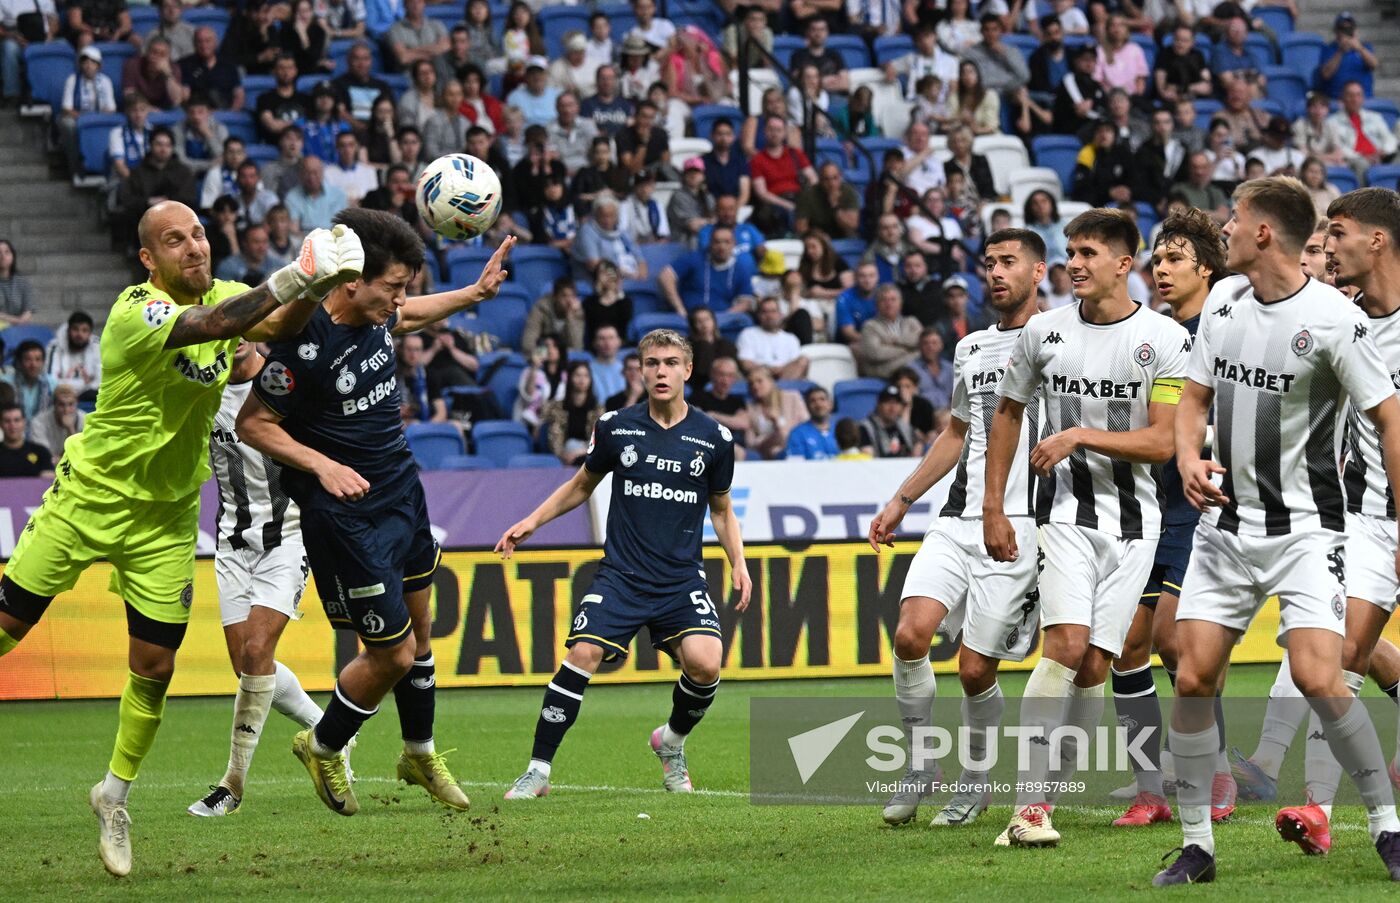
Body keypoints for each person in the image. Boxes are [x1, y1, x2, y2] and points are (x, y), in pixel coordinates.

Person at [0, 199, 357, 875]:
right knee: (7, 628)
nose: (194, 246)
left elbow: (273, 323)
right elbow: (216, 325)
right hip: (90, 500)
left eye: (198, 233)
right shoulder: (137, 311)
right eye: (176, 240)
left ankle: (113, 795)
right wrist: (299, 270)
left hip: (165, 519)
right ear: (149, 260)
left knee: (155, 668)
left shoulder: (226, 291)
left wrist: (310, 288)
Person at [1152, 178, 1400, 885]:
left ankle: (1387, 826)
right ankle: (1198, 846)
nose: (1224, 228)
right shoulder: (1224, 303)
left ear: (1264, 234)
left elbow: (1388, 415)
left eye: (1235, 219)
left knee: (1323, 674)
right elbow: (1194, 394)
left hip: (1306, 534)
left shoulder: (1332, 320)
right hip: (1224, 529)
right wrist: (1187, 455)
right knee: (1194, 674)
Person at [238, 213, 516, 819]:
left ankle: (419, 752)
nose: (401, 298)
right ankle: (323, 744)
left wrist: (474, 293)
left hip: (401, 492)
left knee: (421, 632)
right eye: (393, 285)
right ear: (350, 282)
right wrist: (322, 467)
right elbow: (252, 424)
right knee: (390, 653)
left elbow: (411, 316)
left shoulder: (380, 312)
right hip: (347, 514)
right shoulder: (301, 346)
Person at [983, 208, 1190, 849]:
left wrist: (1075, 434)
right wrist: (995, 505)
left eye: (1089, 252)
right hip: (1066, 515)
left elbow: (1162, 441)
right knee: (1066, 649)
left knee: (1097, 666)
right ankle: (1030, 806)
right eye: (1071, 251)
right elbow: (1009, 414)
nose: (1074, 262)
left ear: (1124, 265)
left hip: (1137, 526)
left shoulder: (1166, 340)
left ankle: (1048, 795)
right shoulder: (1042, 333)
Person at [496, 328, 749, 798]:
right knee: (581, 655)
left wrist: (739, 561)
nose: (661, 371)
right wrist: (532, 521)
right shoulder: (616, 426)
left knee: (706, 664)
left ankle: (670, 742)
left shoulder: (714, 438)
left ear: (688, 370)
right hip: (622, 576)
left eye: (671, 363)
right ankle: (538, 771)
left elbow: (721, 508)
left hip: (680, 579)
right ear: (639, 369)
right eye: (651, 363)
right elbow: (580, 485)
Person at [870, 228, 1048, 826]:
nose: (996, 273)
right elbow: (955, 431)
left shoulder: (1064, 340)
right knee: (909, 635)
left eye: (1008, 263)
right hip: (956, 519)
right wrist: (901, 499)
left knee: (975, 669)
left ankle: (976, 777)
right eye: (989, 263)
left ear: (1038, 271)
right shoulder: (971, 347)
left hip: (1022, 526)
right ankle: (922, 763)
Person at [1106, 208, 1231, 829]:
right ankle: (1149, 788)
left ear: (1205, 268)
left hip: (1202, 507)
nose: (1161, 270)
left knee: (1178, 644)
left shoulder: (1226, 327)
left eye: (1175, 259)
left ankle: (1217, 772)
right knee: (1128, 644)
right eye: (1157, 260)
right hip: (1148, 504)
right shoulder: (1150, 333)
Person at [185, 341, 334, 818]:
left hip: (287, 537)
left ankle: (232, 785)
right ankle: (331, 733)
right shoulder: (202, 391)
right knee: (246, 663)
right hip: (231, 541)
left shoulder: (282, 383)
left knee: (256, 653)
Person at [660, 226, 757, 315]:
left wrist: (724, 317)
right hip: (690, 316)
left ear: (733, 244)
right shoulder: (694, 258)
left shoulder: (740, 269)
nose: (721, 247)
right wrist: (680, 310)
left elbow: (745, 301)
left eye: (727, 242)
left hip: (723, 318)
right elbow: (665, 277)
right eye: (717, 242)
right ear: (710, 243)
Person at [749, 115, 817, 238]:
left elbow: (813, 179)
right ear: (765, 132)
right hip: (775, 203)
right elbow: (762, 193)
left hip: (799, 197)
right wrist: (787, 205)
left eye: (778, 130)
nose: (774, 133)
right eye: (771, 129)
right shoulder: (757, 160)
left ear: (784, 133)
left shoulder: (795, 154)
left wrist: (806, 201)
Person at [58, 45, 117, 179]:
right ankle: (75, 167)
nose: (89, 66)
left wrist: (95, 119)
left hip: (99, 119)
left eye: (92, 62)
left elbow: (111, 108)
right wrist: (84, 119)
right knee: (68, 125)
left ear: (98, 65)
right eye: (85, 62)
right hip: (78, 118)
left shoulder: (105, 81)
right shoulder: (73, 80)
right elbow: (66, 108)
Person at [542, 360, 602, 466]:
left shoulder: (597, 409)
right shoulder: (557, 408)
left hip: (588, 453)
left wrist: (579, 453)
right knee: (571, 444)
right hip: (565, 454)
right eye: (578, 375)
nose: (582, 380)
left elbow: (600, 438)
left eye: (586, 376)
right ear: (570, 378)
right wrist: (562, 454)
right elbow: (554, 437)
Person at [1328, 81, 1398, 172]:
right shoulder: (1332, 122)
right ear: (1342, 98)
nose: (1355, 99)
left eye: (1358, 95)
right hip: (1355, 159)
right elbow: (1339, 148)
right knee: (1361, 164)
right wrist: (1363, 157)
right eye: (1350, 95)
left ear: (1363, 98)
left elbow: (1389, 139)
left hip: (1381, 157)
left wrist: (1384, 151)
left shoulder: (1375, 117)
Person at [857, 284, 921, 380]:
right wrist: (909, 349)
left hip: (913, 376)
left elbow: (922, 342)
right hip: (883, 375)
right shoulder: (870, 326)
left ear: (900, 303)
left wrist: (896, 341)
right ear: (877, 304)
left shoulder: (912, 321)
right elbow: (876, 354)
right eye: (884, 300)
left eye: (893, 299)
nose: (889, 303)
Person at [572, 198, 646, 281]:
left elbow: (638, 255)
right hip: (601, 280)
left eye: (611, 216)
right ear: (595, 215)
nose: (607, 220)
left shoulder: (621, 231)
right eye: (603, 216)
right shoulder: (586, 231)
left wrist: (641, 271)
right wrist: (623, 273)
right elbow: (593, 264)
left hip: (631, 276)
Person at [736, 297, 807, 381]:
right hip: (760, 377)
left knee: (803, 360)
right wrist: (769, 370)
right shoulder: (748, 334)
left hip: (785, 376)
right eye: (765, 312)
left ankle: (778, 390)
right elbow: (746, 363)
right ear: (759, 315)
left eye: (773, 311)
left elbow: (794, 366)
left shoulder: (791, 339)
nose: (769, 316)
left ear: (780, 314)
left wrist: (780, 370)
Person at [743, 366, 805, 460]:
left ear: (771, 381)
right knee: (776, 451)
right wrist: (771, 438)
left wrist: (778, 422)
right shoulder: (750, 408)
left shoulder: (792, 397)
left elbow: (806, 424)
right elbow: (750, 443)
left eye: (759, 381)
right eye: (751, 384)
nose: (755, 386)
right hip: (768, 452)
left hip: (796, 445)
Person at [1317, 11, 1377, 100]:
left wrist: (1360, 49)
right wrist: (1340, 51)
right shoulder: (1328, 49)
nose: (1346, 32)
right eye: (1343, 29)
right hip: (1337, 99)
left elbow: (1374, 65)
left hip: (1364, 99)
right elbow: (1326, 74)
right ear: (1336, 31)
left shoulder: (1365, 47)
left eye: (1350, 28)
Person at [793, 162, 859, 240]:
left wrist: (835, 206)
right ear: (820, 180)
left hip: (843, 235)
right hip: (816, 238)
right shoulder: (808, 195)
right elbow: (801, 228)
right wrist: (819, 237)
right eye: (826, 179)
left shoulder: (848, 192)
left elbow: (852, 225)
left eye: (835, 178)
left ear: (840, 177)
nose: (832, 184)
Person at [331, 41, 391, 127]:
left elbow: (391, 112)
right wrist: (363, 128)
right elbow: (341, 113)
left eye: (366, 59)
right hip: (352, 133)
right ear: (348, 61)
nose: (361, 64)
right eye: (356, 59)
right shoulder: (337, 85)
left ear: (371, 61)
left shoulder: (382, 86)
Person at [688, 354, 748, 437]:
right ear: (712, 375)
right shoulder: (698, 397)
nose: (725, 380)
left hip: (734, 442)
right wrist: (731, 421)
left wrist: (713, 415)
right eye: (721, 374)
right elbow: (697, 422)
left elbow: (743, 423)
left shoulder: (737, 400)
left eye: (730, 375)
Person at [45, 311, 101, 399]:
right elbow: (51, 383)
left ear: (90, 334)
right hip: (62, 397)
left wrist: (65, 382)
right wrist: (86, 384)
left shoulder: (97, 346)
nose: (79, 334)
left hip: (90, 397)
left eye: (84, 330)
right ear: (68, 331)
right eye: (75, 329)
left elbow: (101, 382)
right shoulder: (54, 347)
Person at [285, 156, 347, 233]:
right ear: (300, 175)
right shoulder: (292, 197)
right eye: (307, 173)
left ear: (322, 173)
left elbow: (342, 228)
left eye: (315, 172)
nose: (311, 177)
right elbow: (294, 229)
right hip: (304, 241)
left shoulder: (338, 195)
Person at [1154, 22, 1211, 105]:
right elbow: (1162, 89)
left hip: (1194, 96)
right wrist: (1191, 88)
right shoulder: (1164, 54)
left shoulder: (1198, 55)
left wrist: (1190, 88)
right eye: (1177, 39)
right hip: (1173, 98)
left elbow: (1206, 81)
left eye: (1185, 41)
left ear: (1192, 42)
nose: (1180, 44)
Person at [385, 0, 447, 74]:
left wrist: (412, 51)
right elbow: (403, 58)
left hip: (437, 71)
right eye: (412, 2)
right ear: (405, 5)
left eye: (419, 2)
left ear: (424, 4)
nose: (416, 6)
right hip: (410, 73)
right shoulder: (395, 30)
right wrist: (433, 51)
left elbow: (445, 48)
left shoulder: (437, 25)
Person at [1172, 151, 1231, 226]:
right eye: (1195, 167)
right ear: (1189, 168)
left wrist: (1192, 213)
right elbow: (1178, 215)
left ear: (1209, 169)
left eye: (1203, 167)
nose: (1199, 172)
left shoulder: (1216, 192)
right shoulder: (1179, 190)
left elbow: (1224, 217)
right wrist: (1211, 214)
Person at [687, 307, 737, 393]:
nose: (704, 324)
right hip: (698, 386)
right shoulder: (687, 346)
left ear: (714, 321)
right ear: (693, 325)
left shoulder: (727, 345)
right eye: (699, 321)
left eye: (707, 319)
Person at [29, 384, 84, 461]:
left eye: (71, 404)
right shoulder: (39, 422)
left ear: (77, 404)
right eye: (61, 405)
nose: (66, 410)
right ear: (54, 405)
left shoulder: (85, 420)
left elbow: (82, 457)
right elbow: (45, 458)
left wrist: (70, 429)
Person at [860, 385, 917, 458]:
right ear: (878, 404)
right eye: (888, 402)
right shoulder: (866, 428)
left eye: (896, 403)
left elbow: (917, 446)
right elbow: (868, 458)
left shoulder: (903, 426)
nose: (892, 408)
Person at [669, 158, 714, 247]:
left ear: (703, 175)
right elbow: (693, 226)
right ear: (684, 175)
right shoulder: (678, 196)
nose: (693, 175)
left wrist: (704, 222)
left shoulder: (708, 196)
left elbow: (717, 221)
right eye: (689, 172)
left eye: (697, 172)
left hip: (705, 244)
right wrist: (710, 221)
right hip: (684, 246)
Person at [280, 0, 333, 75]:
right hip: (292, 70)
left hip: (311, 69)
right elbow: (289, 58)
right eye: (299, 11)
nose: (303, 14)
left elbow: (314, 56)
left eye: (306, 11)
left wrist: (304, 37)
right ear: (294, 13)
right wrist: (318, 63)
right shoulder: (286, 30)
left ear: (311, 12)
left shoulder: (319, 31)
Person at [785, 386, 838, 460]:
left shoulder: (841, 430)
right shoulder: (797, 434)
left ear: (830, 404)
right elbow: (795, 466)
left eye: (822, 399)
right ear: (807, 406)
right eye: (813, 401)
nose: (818, 404)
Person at [0, 405, 53, 478]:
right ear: (1, 424)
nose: (12, 425)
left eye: (17, 420)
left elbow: (50, 480)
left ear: (24, 422)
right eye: (7, 421)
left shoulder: (41, 452)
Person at [834, 262, 880, 345]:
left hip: (881, 342)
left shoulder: (884, 295)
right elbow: (849, 333)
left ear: (878, 277)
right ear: (855, 278)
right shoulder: (844, 298)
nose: (867, 280)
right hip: (851, 345)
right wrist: (874, 342)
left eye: (871, 276)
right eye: (862, 276)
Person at [0, 239, 35, 325]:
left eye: (7, 252)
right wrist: (16, 320)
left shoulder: (23, 282)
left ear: (13, 256)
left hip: (19, 329)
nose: (2, 256)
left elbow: (29, 309)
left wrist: (21, 322)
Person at [589, 324, 625, 403]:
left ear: (619, 342)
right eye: (602, 338)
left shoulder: (628, 369)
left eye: (611, 338)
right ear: (595, 343)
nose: (607, 343)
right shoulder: (587, 370)